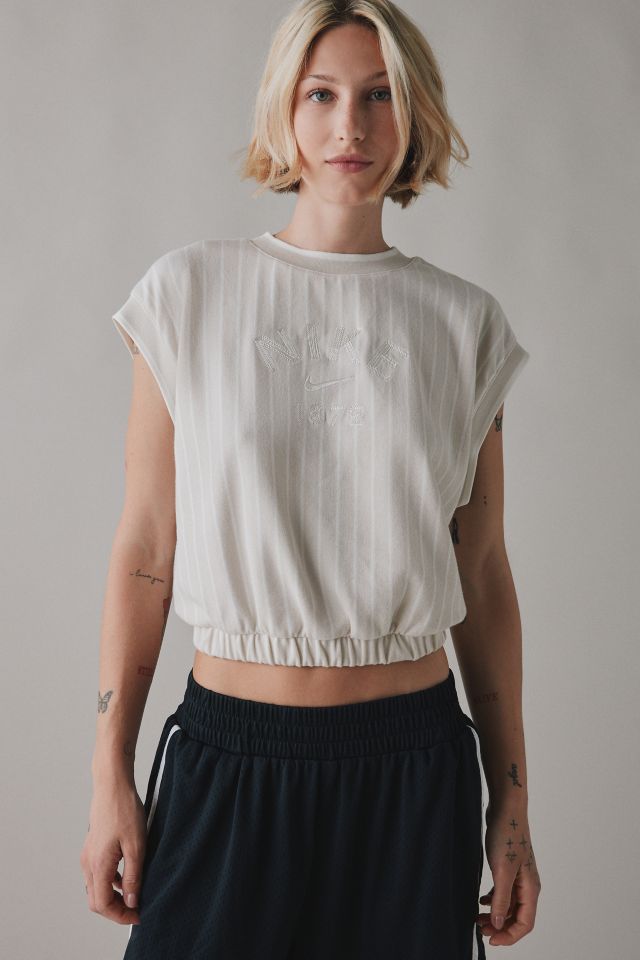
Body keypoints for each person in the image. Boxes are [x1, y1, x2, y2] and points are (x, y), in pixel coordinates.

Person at [80, 1, 541, 956]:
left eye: (380, 95)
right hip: (230, 760)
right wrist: (108, 774)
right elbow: (147, 548)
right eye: (322, 94)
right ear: (283, 109)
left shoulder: (463, 326)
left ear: (415, 112)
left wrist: (512, 804)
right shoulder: (187, 296)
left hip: (412, 774)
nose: (350, 126)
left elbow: (483, 572)